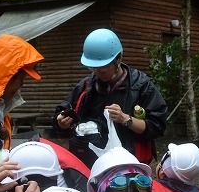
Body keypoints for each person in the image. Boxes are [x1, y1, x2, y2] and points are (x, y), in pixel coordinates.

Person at [52, 29, 167, 169]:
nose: (98, 73)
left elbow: (157, 125)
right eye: (93, 68)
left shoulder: (141, 86)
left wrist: (126, 119)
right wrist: (62, 124)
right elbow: (62, 117)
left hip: (126, 164)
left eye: (103, 68)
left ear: (119, 59)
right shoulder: (87, 87)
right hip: (88, 163)